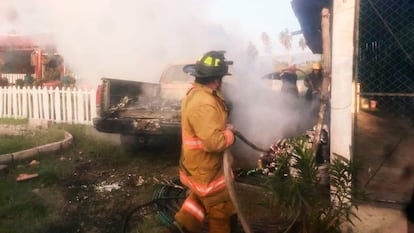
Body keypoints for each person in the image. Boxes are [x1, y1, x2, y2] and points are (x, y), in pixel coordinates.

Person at [168, 50, 237, 233]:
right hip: (206, 168)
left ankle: (180, 228)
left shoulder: (198, 94)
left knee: (198, 200)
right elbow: (214, 142)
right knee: (221, 209)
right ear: (216, 79)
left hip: (198, 165)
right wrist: (230, 135)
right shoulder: (204, 103)